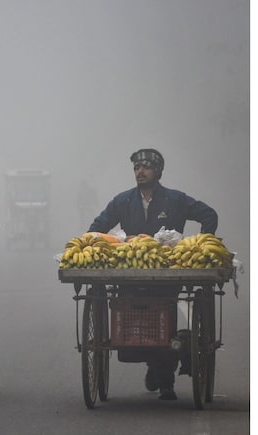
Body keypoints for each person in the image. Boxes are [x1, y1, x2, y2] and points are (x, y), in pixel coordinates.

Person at [88, 148, 217, 400]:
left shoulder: (176, 199)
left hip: (166, 275)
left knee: (163, 316)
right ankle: (156, 366)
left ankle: (164, 377)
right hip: (130, 274)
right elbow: (97, 228)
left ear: (157, 172)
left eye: (145, 167)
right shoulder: (122, 201)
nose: (140, 172)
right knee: (137, 315)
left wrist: (201, 243)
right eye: (137, 168)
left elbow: (209, 215)